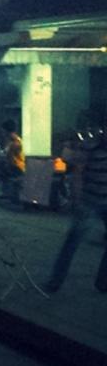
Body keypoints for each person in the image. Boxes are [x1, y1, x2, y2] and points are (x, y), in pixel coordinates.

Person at [45, 120, 107, 294]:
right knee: (72, 242)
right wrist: (77, 200)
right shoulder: (90, 147)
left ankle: (103, 281)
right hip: (90, 201)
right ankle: (55, 281)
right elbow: (77, 174)